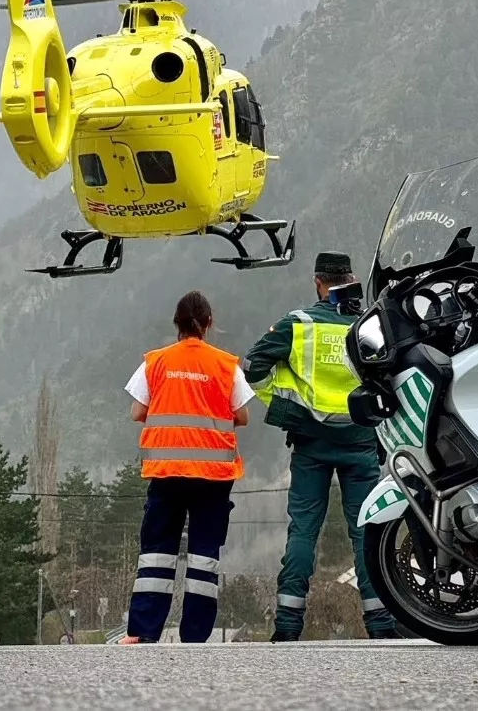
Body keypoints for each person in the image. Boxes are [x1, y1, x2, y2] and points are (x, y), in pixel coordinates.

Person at [243, 251, 400, 641]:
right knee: (366, 531)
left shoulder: (298, 325)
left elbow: (253, 368)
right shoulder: (372, 326)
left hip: (311, 443)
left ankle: (287, 626)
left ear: (318, 282)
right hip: (361, 442)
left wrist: (287, 409)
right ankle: (381, 625)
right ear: (351, 279)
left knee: (303, 533)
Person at [119, 291, 255, 644]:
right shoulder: (226, 364)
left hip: (167, 473)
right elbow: (242, 415)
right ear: (209, 323)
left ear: (176, 324)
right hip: (213, 477)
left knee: (156, 554)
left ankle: (142, 632)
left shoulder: (156, 361)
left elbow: (137, 412)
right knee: (203, 556)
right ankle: (195, 637)